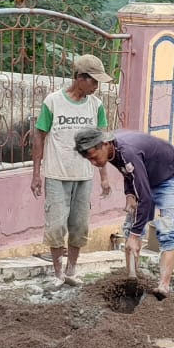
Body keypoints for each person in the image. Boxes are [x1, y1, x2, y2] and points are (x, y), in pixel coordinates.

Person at [76, 128, 174, 299]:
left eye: (93, 157)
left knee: (167, 231)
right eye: (88, 159)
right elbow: (128, 172)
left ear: (105, 144)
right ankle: (133, 279)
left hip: (172, 178)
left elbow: (146, 199)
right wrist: (129, 194)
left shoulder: (127, 151)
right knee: (130, 228)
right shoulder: (113, 150)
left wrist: (136, 235)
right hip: (148, 176)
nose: (93, 162)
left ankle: (163, 286)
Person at [30, 54, 113, 285]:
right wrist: (36, 174)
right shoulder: (53, 102)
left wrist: (104, 177)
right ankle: (57, 272)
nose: (96, 87)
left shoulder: (96, 106)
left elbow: (102, 143)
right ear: (79, 78)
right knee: (56, 225)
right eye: (93, 81)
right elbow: (39, 136)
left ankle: (72, 270)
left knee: (79, 226)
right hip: (56, 175)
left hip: (84, 176)